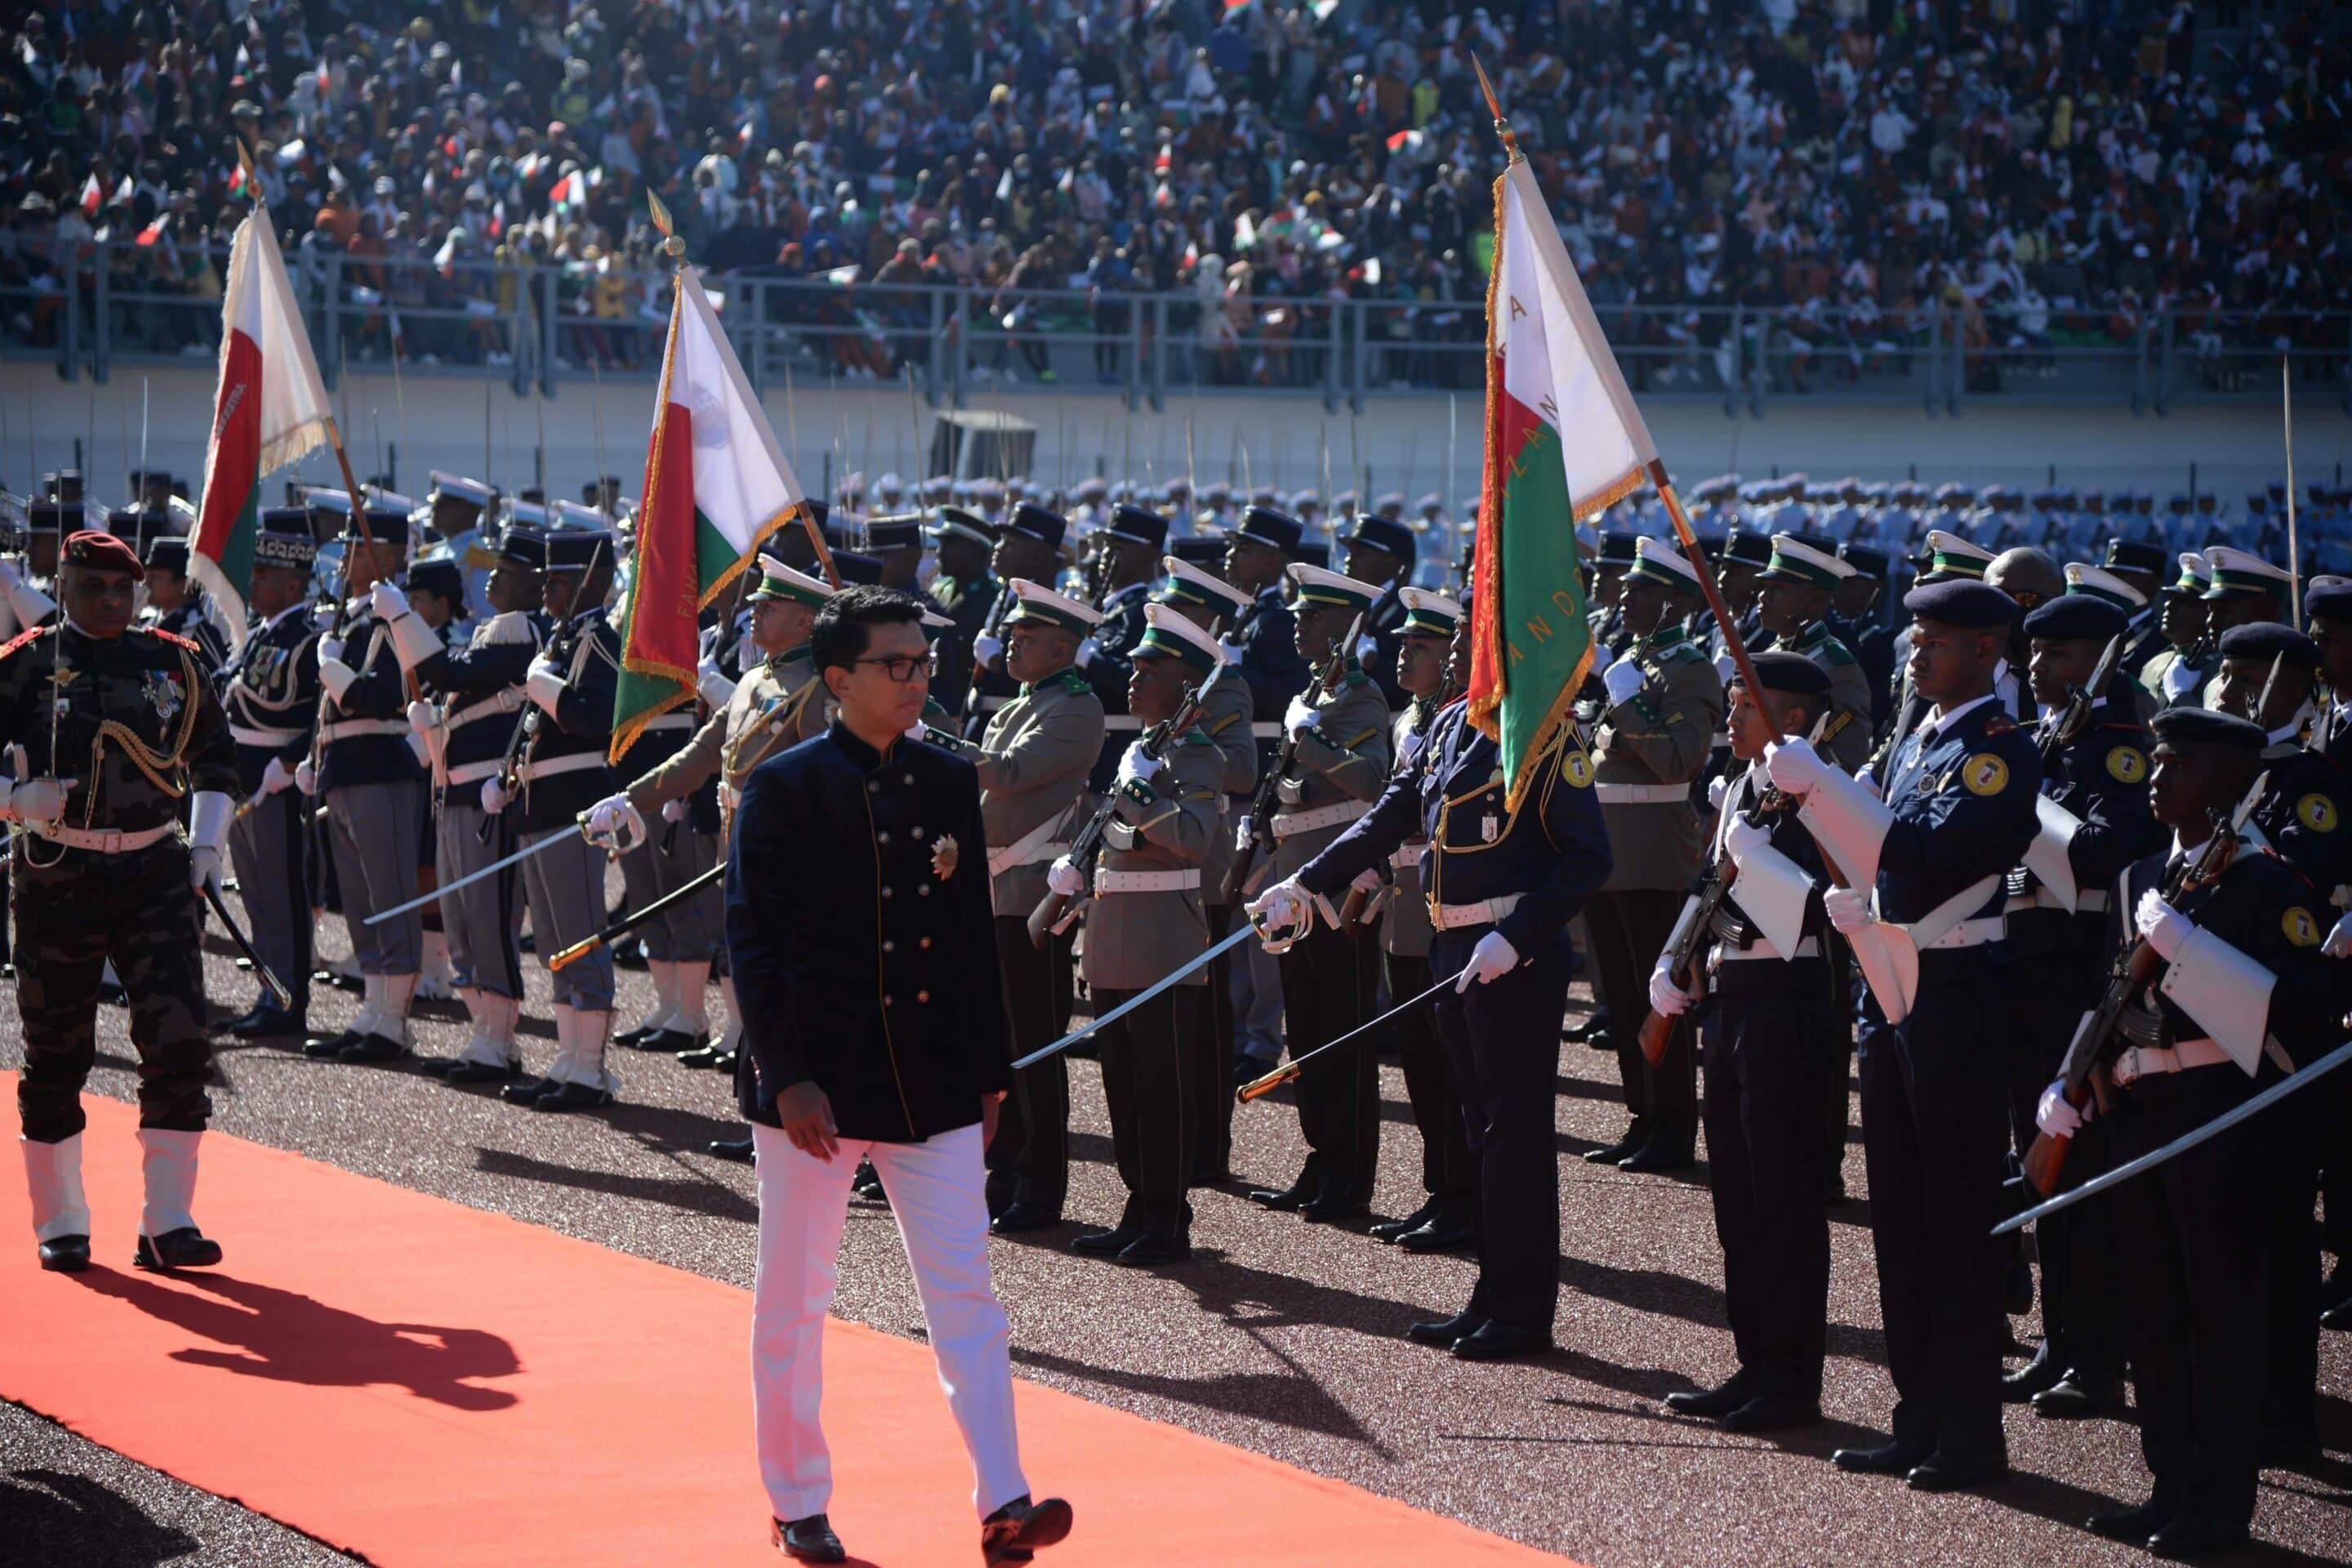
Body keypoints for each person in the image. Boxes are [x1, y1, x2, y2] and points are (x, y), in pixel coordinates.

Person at [728, 585, 1073, 1567]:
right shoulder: (785, 787)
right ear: (839, 679)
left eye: (925, 663)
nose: (919, 679)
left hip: (930, 1080)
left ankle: (1004, 1500)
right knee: (794, 1295)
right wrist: (787, 1077)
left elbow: (969, 944)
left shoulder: (944, 779)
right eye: (897, 665)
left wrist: (992, 1071)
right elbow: (752, 946)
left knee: (966, 1291)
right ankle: (798, 1498)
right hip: (817, 1089)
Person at [1254, 599, 1610, 1361]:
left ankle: (1522, 1309)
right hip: (1453, 949)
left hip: (1509, 958)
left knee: (1514, 1136)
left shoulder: (1543, 734)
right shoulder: (1449, 726)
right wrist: (1307, 884)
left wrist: (1517, 938)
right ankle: (1489, 1294)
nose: (1451, 653)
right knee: (1480, 1132)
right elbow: (1388, 818)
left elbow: (1587, 858)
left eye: (1465, 641)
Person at [2038, 706, 2332, 1555]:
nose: (2159, 775)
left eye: (2182, 763)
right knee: (2153, 1312)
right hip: (2138, 1111)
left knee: (2221, 1317)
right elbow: (2109, 996)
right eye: (2157, 759)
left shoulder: (2268, 885)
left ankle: (2219, 1507)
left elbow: (2304, 1026)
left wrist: (2192, 950)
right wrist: (2070, 1083)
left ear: (2233, 784)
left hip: (2220, 1121)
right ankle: (2168, 1485)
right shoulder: (2139, 878)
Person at [1771, 577, 2041, 1491]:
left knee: (1953, 1219)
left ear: (1986, 652)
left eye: (1937, 641)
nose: (1916, 652)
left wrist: (1828, 792)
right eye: (1915, 638)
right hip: (1889, 984)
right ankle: (1916, 1416)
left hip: (1957, 989)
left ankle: (1971, 1435)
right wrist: (1815, 805)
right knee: (1899, 1217)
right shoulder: (1916, 740)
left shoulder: (1999, 752)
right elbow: (1875, 852)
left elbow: (1925, 858)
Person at [8, 531, 238, 1272]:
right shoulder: (26, 664)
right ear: (64, 585)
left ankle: (168, 1221)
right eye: (93, 588)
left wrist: (205, 846)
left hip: (155, 875)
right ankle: (61, 1221)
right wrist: (14, 800)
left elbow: (216, 759)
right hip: (58, 873)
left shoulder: (172, 659)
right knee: (57, 1050)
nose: (110, 601)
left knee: (178, 1043)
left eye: (123, 589)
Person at [586, 553, 838, 1156]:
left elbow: (832, 786)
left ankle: (796, 1120)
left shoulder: (818, 687)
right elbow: (701, 755)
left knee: (789, 994)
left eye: (769, 606)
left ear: (806, 622)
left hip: (791, 866)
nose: (754, 612)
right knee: (752, 983)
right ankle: (762, 1118)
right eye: (757, 603)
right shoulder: (756, 680)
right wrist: (631, 799)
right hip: (742, 851)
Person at [1651, 651, 1837, 1431]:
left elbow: (1832, 899)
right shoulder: (1743, 789)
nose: (1728, 721)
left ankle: (1792, 1381)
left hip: (1788, 999)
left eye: (1744, 708)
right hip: (1730, 996)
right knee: (1737, 1196)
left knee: (1783, 1197)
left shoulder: (1819, 791)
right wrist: (1674, 959)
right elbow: (1711, 888)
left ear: (1793, 720)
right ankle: (1753, 1362)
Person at [1999, 592, 2154, 1419]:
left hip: (2081, 982)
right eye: (2033, 654)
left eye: (2056, 655)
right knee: (2044, 1171)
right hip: (2031, 978)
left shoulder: (2121, 746)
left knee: (2084, 1183)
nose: (2036, 668)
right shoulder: (2051, 739)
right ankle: (2062, 1342)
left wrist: (2024, 816)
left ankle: (2097, 1359)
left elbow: (2103, 853)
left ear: (2099, 659)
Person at [1049, 604, 1225, 1265]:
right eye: (1135, 665)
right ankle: (1137, 1204)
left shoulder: (1197, 757)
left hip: (1163, 944)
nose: (1134, 676)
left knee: (1161, 1087)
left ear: (1187, 686)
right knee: (1123, 1084)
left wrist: (1143, 801)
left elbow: (1196, 841)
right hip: (1115, 936)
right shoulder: (1141, 749)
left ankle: (1167, 1216)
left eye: (1152, 668)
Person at [943, 571, 1105, 1232]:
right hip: (993, 890)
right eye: (1011, 633)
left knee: (1035, 1044)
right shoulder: (1021, 702)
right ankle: (1003, 1169)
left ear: (1063, 650)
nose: (1011, 644)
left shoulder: (1075, 707)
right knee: (997, 1042)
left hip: (1033, 893)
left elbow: (1008, 774)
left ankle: (1041, 1185)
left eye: (1026, 636)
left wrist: (933, 744)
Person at [1243, 560, 1393, 1221]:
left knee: (1341, 1032)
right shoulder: (1317, 693)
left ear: (1343, 627)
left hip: (1339, 888)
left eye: (1312, 615)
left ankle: (1349, 1172)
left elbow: (1372, 782)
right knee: (1305, 1029)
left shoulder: (1359, 700)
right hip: (1297, 883)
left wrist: (1312, 738)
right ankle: (1320, 1156)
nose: (1298, 623)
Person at [381, 527, 547, 1081]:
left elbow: (453, 673)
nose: (494, 575)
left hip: (487, 797)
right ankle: (483, 1031)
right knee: (459, 921)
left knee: (489, 916)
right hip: (456, 790)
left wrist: (402, 620)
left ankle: (500, 1040)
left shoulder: (522, 630)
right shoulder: (491, 630)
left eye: (509, 569)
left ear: (536, 583)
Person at [1584, 538, 1722, 1172]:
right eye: (1628, 586)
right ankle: (1642, 1117)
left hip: (1656, 854)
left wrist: (1626, 701)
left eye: (1641, 589)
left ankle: (1671, 1126)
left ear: (1673, 601)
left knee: (1658, 995)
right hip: (1610, 851)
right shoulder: (1632, 659)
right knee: (1621, 992)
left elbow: (1680, 759)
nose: (1624, 596)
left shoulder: (1688, 668)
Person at [495, 529, 623, 1111]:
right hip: (541, 803)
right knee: (554, 940)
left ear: (593, 582)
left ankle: (591, 1070)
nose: (548, 589)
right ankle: (568, 1058)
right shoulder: (563, 638)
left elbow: (595, 718)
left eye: (560, 580)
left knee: (581, 934)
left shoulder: (598, 640)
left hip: (575, 802)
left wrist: (547, 689)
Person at [1363, 586, 1473, 1254]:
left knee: (1450, 1066)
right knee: (1421, 1067)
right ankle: (1441, 1192)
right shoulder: (1410, 720)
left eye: (1420, 646)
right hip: (1405, 906)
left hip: (1443, 907)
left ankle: (1463, 1198)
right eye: (1403, 643)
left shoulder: (1460, 720)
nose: (1405, 654)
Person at [299, 507, 429, 1063]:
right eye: (349, 543)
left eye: (361, 545)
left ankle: (395, 1023)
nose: (348, 553)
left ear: (392, 557)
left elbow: (377, 697)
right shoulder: (346, 619)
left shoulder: (391, 620)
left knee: (390, 896)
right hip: (344, 767)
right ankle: (374, 1009)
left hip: (381, 767)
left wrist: (331, 669)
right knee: (358, 899)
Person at [1152, 550, 1258, 1179]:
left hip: (1205, 858)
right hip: (1158, 854)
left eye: (1179, 610)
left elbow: (1243, 771)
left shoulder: (1225, 685)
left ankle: (1208, 1149)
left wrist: (1195, 736)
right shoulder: (1168, 677)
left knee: (1207, 1016)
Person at [216, 514, 324, 1041]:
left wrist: (292, 762)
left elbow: (322, 713)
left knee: (283, 894)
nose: (253, 583)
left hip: (277, 778)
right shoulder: (261, 632)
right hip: (245, 772)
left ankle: (289, 999)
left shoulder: (309, 638)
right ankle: (269, 990)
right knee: (257, 895)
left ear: (293, 584)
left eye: (262, 574)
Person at [1076, 503, 1168, 791]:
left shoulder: (1142, 614)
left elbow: (1138, 680)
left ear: (1147, 555)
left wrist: (1090, 660)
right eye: (1107, 545)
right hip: (1086, 747)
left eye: (1119, 547)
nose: (1107, 555)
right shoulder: (1107, 609)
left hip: (1116, 747)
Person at [1338, 511, 1419, 706]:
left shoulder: (1407, 614)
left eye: (1361, 553)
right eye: (1350, 551)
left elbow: (1411, 684)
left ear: (1393, 561)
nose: (1349, 559)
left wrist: (1373, 660)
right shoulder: (1341, 608)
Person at [925, 506, 999, 719]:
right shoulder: (939, 589)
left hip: (967, 710)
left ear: (975, 551)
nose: (939, 552)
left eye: (949, 545)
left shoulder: (992, 599)